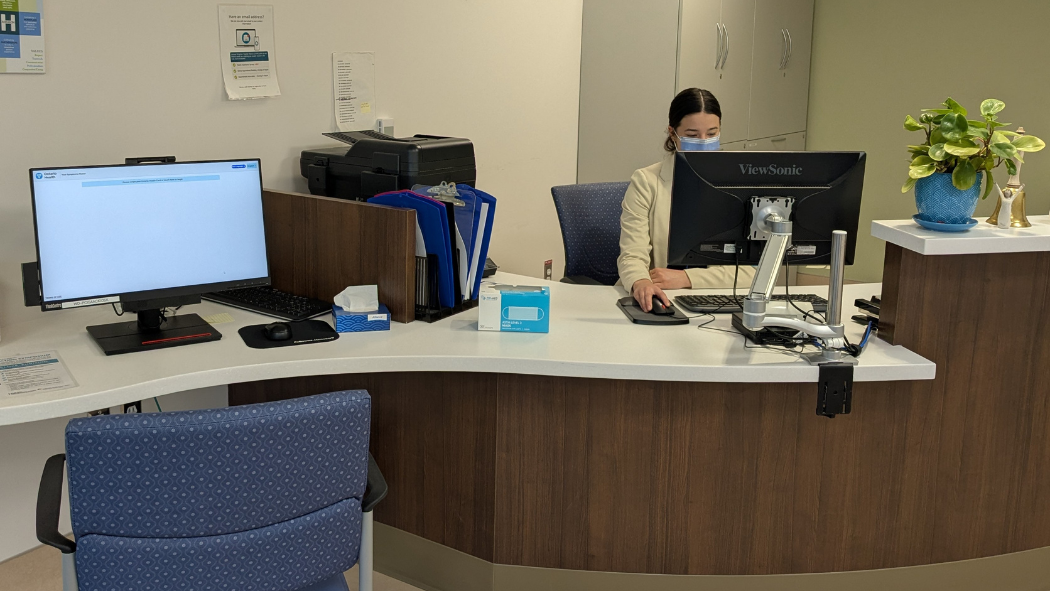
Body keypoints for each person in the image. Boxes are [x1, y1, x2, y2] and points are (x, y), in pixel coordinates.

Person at [617, 88, 755, 311]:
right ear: (673, 134)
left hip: (717, 303)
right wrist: (640, 282)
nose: (703, 142)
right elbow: (631, 256)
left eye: (711, 134)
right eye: (692, 135)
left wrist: (687, 278)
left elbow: (753, 272)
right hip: (662, 301)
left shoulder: (737, 186)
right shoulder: (646, 182)